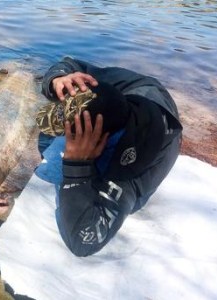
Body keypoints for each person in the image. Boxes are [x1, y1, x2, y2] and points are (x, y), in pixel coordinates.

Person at [35, 57, 183, 256]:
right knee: (88, 105)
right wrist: (58, 79)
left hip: (142, 149)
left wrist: (77, 166)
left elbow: (83, 241)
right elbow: (72, 63)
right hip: (147, 93)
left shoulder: (127, 174)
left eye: (68, 134)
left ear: (94, 145)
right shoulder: (120, 89)